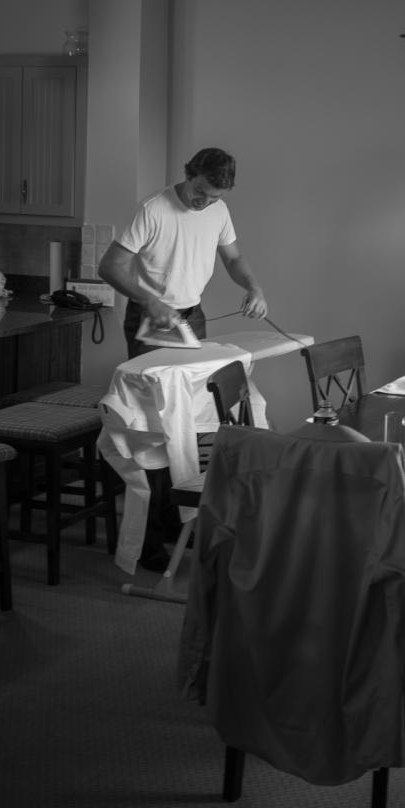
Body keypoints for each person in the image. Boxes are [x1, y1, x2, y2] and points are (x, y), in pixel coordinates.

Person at [98, 147, 268, 570]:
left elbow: (233, 258)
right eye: (200, 192)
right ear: (188, 174)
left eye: (214, 197)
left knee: (188, 424)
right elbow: (110, 266)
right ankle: (149, 542)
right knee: (156, 429)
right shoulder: (153, 209)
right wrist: (149, 300)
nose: (204, 202)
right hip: (151, 319)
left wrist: (253, 287)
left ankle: (177, 523)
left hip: (193, 317)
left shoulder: (218, 210)